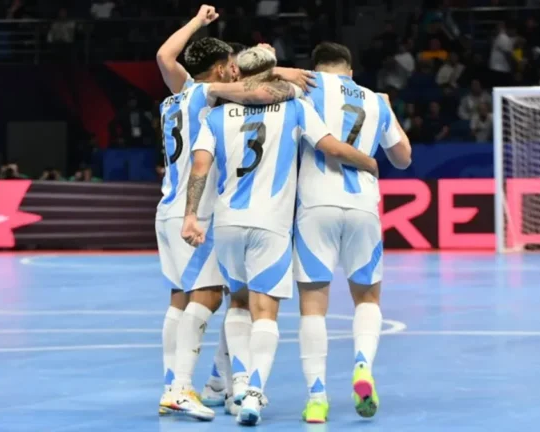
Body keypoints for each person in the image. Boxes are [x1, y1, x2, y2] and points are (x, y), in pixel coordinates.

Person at [181, 46, 380, 426]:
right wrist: (368, 162)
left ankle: (236, 386)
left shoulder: (215, 115)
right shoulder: (294, 107)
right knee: (265, 312)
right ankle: (254, 392)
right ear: (275, 72)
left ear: (236, 73)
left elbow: (200, 167)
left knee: (237, 303)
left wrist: (192, 215)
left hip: (226, 223)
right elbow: (329, 147)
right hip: (271, 224)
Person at [154, 16, 307, 422]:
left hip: (166, 208)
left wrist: (196, 22)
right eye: (230, 63)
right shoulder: (207, 94)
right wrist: (281, 71)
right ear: (222, 68)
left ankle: (210, 382)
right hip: (196, 210)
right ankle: (180, 387)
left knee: (183, 298)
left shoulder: (175, 97)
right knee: (214, 297)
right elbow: (261, 91)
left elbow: (165, 54)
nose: (234, 67)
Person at [294, 42, 412, 423]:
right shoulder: (375, 100)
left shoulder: (307, 86)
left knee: (313, 304)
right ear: (349, 68)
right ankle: (362, 366)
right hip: (362, 205)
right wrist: (388, 109)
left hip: (316, 203)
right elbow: (403, 157)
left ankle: (316, 398)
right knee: (367, 298)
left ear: (316, 67)